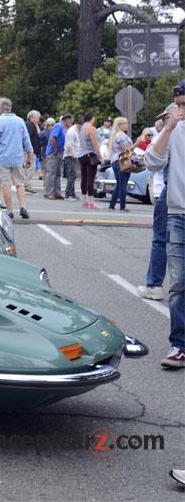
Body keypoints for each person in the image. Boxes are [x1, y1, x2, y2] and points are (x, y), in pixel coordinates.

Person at [144, 82, 185, 370]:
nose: (181, 110)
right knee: (179, 283)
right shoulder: (173, 130)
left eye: (184, 104)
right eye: (178, 105)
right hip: (178, 214)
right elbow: (152, 161)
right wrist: (168, 128)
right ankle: (179, 345)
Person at [139, 113, 170, 301]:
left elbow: (151, 161)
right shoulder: (167, 133)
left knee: (161, 240)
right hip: (165, 191)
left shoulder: (168, 133)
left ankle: (154, 284)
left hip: (166, 192)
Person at [0, 97, 33, 220]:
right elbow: (26, 140)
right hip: (18, 157)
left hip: (3, 157)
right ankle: (23, 206)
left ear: (1, 108)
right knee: (20, 183)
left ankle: (9, 210)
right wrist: (29, 155)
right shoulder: (20, 121)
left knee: (6, 184)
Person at [108, 116, 134, 212]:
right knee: (123, 184)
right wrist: (137, 143)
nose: (127, 125)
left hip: (115, 160)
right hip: (122, 161)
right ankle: (122, 206)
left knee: (119, 184)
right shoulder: (121, 135)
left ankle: (112, 205)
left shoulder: (116, 135)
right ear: (120, 125)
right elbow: (126, 149)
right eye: (125, 123)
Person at [77, 112, 102, 209]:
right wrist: (100, 157)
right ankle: (91, 202)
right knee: (91, 178)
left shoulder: (82, 127)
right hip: (90, 154)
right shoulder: (91, 128)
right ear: (92, 118)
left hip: (81, 154)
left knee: (84, 178)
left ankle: (84, 200)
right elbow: (95, 144)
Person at [44, 114, 71, 199]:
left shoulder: (63, 128)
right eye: (70, 120)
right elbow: (52, 138)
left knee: (58, 174)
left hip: (59, 152)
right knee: (51, 173)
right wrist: (55, 150)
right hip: (53, 153)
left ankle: (57, 192)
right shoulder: (58, 126)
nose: (71, 122)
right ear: (66, 120)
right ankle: (49, 192)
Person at [63, 115, 81, 200]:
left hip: (73, 155)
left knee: (73, 175)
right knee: (71, 175)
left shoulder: (76, 130)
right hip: (70, 155)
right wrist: (74, 154)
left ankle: (72, 193)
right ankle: (68, 194)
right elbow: (69, 146)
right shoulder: (72, 132)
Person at [25, 110, 42, 194]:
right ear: (31, 118)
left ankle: (27, 185)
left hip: (32, 151)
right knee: (30, 169)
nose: (38, 120)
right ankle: (26, 186)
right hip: (30, 151)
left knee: (31, 169)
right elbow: (29, 139)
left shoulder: (33, 125)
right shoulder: (29, 125)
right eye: (37, 118)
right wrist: (30, 152)